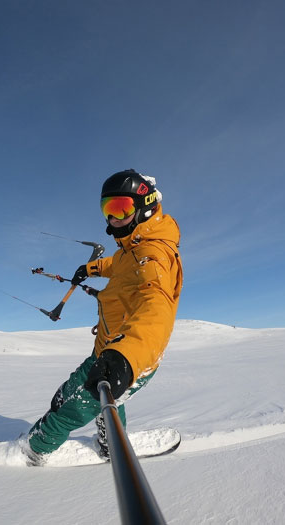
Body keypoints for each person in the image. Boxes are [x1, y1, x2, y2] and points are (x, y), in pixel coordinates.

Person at [23, 169, 183, 466]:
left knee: (72, 409)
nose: (112, 219)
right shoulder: (130, 249)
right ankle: (112, 441)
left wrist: (124, 357)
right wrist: (91, 269)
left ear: (145, 205)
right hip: (107, 348)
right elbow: (116, 264)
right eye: (107, 210)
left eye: (120, 208)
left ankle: (33, 452)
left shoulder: (154, 255)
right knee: (65, 395)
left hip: (131, 356)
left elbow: (156, 309)